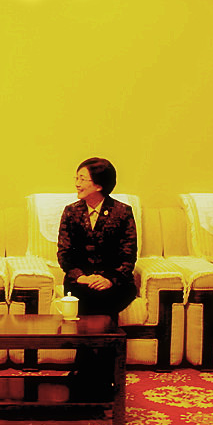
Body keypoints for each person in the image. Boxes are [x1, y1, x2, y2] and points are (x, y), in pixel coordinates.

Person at [57, 157, 137, 386]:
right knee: (89, 299)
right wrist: (81, 277)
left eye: (82, 179)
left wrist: (110, 279)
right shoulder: (71, 212)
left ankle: (86, 373)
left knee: (100, 300)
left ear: (99, 185)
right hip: (80, 282)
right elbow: (64, 254)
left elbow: (128, 255)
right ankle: (101, 376)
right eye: (77, 178)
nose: (77, 183)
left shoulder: (122, 212)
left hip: (115, 283)